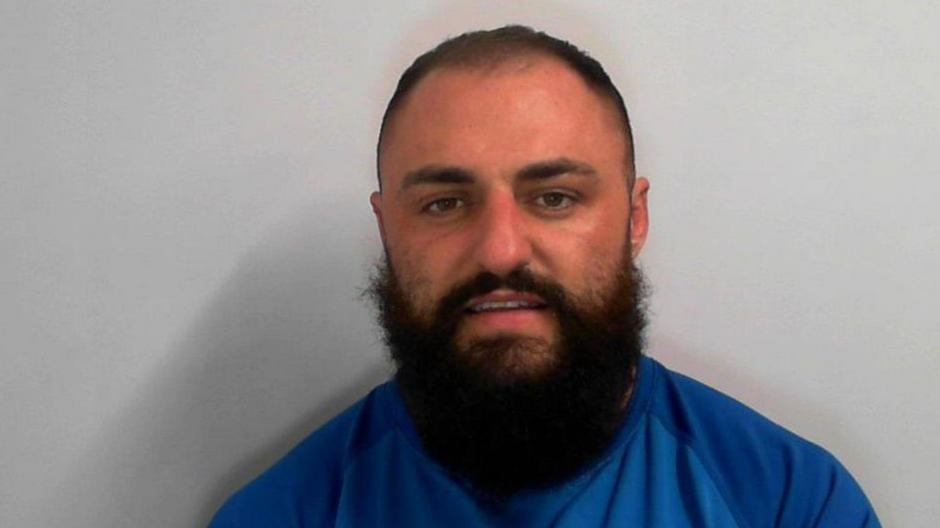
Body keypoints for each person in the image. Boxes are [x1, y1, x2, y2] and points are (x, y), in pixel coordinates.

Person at [209, 25, 880, 527]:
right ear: (388, 231)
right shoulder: (281, 516)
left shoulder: (791, 505)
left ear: (634, 218)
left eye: (554, 197)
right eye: (444, 203)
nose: (501, 251)